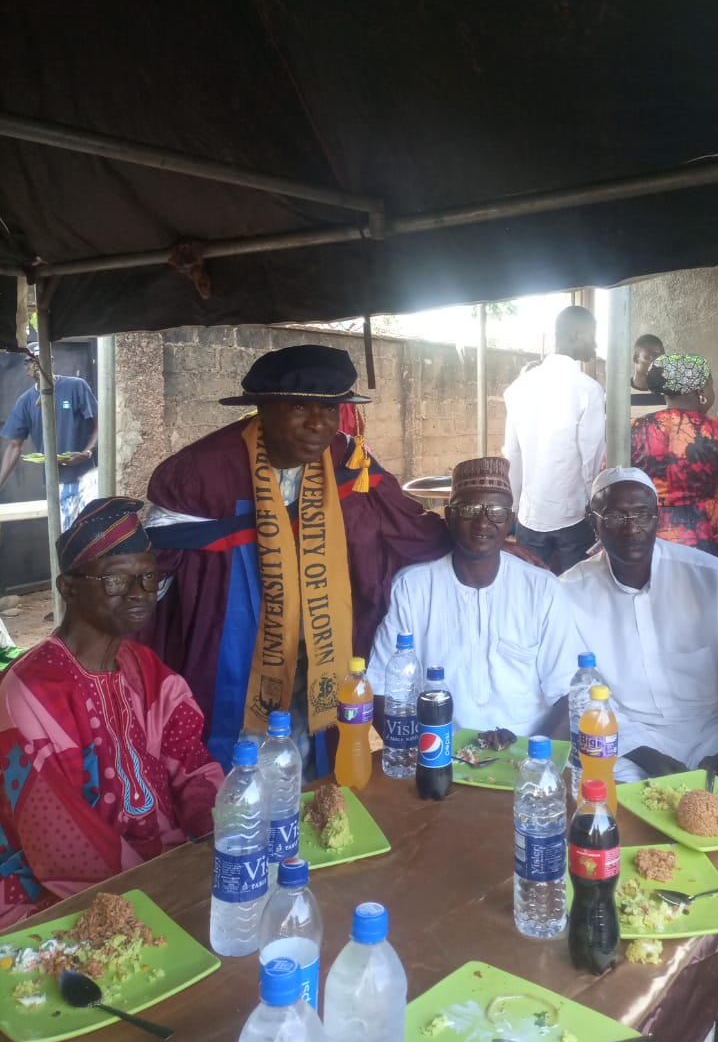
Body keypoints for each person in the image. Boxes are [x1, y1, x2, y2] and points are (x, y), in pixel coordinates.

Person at [143, 344, 449, 771]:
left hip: (322, 645)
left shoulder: (347, 460)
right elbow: (152, 566)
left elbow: (408, 526)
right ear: (262, 410)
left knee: (311, 753)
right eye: (298, 407)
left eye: (330, 410)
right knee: (236, 761)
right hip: (237, 649)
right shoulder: (204, 471)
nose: (317, 425)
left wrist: (486, 543)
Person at [0, 497, 223, 928]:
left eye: (148, 578)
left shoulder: (149, 671)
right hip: (65, 896)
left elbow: (193, 769)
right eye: (116, 581)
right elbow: (59, 840)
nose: (140, 593)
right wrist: (165, 886)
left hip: (167, 866)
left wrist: (225, 836)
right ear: (67, 588)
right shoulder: (31, 691)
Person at [561, 467, 718, 784]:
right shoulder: (569, 591)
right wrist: (646, 756)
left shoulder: (712, 577)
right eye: (615, 517)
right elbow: (581, 695)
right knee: (597, 785)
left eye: (642, 515)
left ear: (658, 518)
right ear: (592, 521)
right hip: (629, 744)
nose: (631, 528)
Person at [368, 457, 579, 734]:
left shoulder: (542, 590)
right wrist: (420, 757)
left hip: (525, 752)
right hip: (440, 752)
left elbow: (569, 693)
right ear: (449, 515)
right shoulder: (412, 589)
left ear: (510, 520)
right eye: (470, 509)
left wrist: (533, 762)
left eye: (496, 511)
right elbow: (383, 689)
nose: (483, 522)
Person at [630, 352, 718, 575]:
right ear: (700, 391)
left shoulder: (634, 430)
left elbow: (613, 482)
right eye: (710, 385)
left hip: (648, 540)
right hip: (713, 543)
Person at [502, 305, 605, 573]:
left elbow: (512, 455)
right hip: (573, 515)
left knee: (533, 591)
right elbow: (591, 458)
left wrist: (513, 506)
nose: (595, 344)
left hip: (530, 515)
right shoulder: (589, 390)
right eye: (591, 336)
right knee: (576, 592)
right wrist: (591, 505)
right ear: (575, 336)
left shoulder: (517, 389)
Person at [0, 342, 98, 530]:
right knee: (66, 540)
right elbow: (14, 447)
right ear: (26, 368)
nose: (35, 365)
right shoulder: (25, 402)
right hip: (57, 483)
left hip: (88, 477)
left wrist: (86, 453)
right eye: (30, 361)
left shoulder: (76, 386)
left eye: (40, 360)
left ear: (51, 361)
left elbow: (99, 425)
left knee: (93, 536)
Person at [630, 332, 666, 418]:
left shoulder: (669, 394)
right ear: (636, 358)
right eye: (649, 358)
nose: (657, 363)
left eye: (661, 358)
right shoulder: (620, 395)